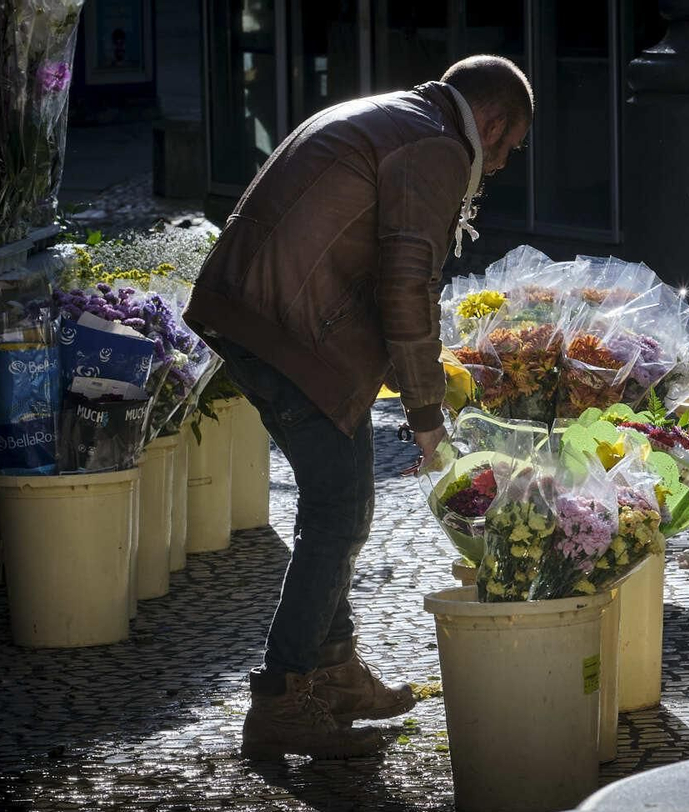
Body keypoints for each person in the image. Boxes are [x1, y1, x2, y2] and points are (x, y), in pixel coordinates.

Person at [187, 55, 533, 760]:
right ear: (490, 123)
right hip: (291, 328)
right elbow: (407, 288)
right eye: (509, 148)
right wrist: (429, 417)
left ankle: (336, 672)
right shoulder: (437, 147)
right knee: (341, 510)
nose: (499, 167)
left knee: (331, 498)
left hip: (255, 313)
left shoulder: (400, 113)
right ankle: (284, 693)